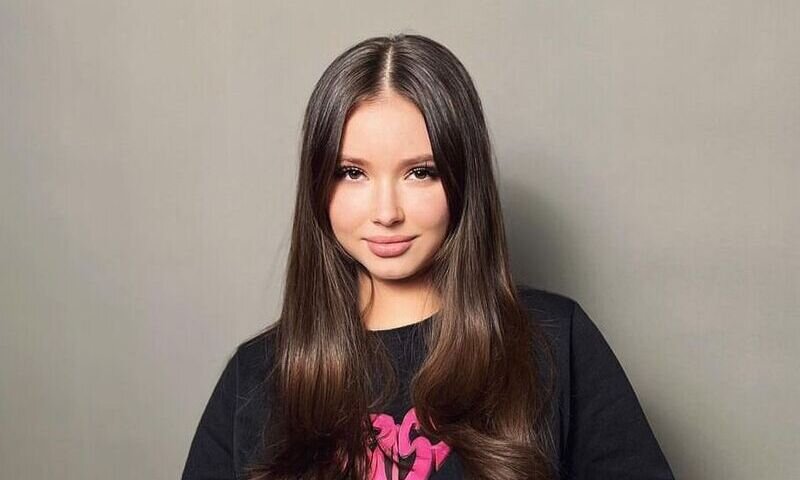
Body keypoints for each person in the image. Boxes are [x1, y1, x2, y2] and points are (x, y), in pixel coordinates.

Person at [180, 33, 675, 480]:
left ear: (462, 179)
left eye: (420, 172)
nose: (386, 212)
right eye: (352, 173)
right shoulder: (257, 375)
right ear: (318, 184)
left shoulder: (554, 343)